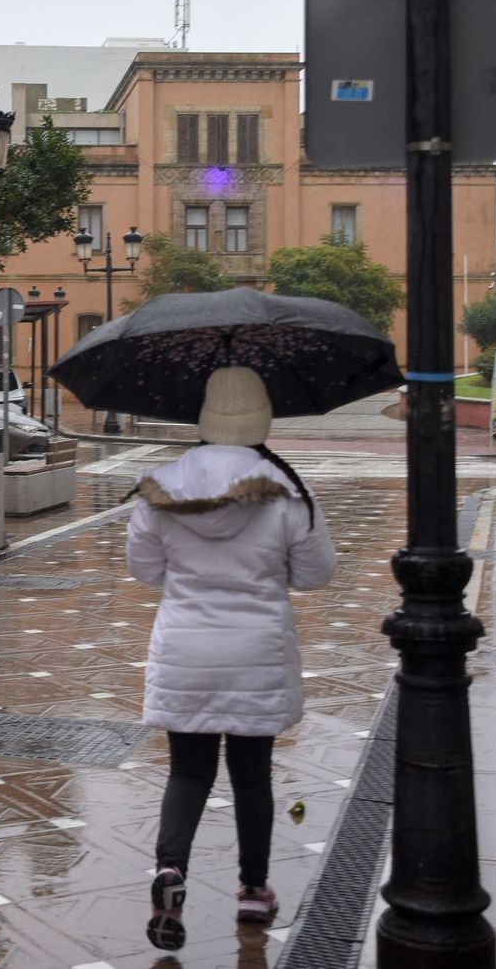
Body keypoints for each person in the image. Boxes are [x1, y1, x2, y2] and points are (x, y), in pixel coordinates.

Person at [126, 367, 337, 951]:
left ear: (204, 417)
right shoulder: (288, 488)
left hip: (187, 649)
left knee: (188, 770)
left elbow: (143, 570)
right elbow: (318, 574)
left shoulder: (161, 486)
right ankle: (252, 889)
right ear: (262, 419)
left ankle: (171, 870)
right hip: (257, 652)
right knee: (252, 776)